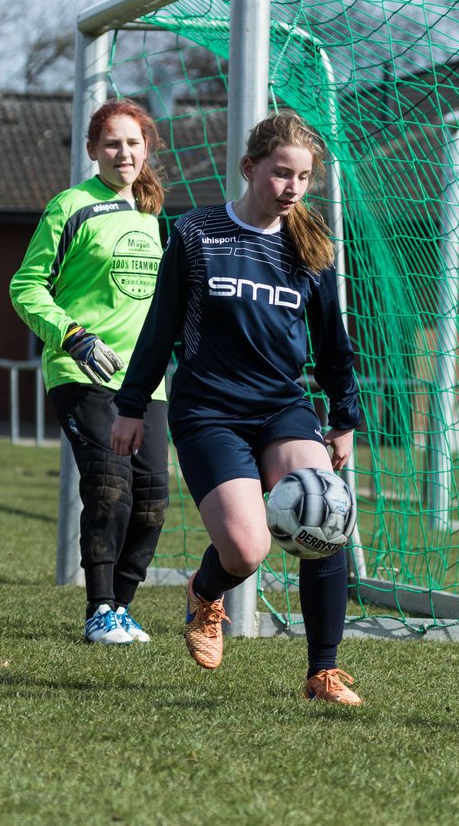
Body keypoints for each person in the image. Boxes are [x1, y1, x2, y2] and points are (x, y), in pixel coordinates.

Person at [111, 111, 364, 705]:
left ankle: (322, 671)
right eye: (281, 174)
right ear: (251, 168)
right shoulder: (198, 233)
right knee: (247, 550)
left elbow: (333, 343)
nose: (292, 189)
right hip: (208, 412)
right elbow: (160, 326)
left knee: (326, 514)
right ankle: (206, 592)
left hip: (283, 407)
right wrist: (130, 405)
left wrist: (344, 416)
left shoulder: (313, 249)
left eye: (303, 178)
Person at [10, 98, 170, 645]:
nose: (123, 152)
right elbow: (25, 287)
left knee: (151, 501)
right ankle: (99, 609)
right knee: (109, 488)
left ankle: (122, 609)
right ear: (92, 150)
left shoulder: (153, 217)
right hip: (82, 373)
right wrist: (74, 337)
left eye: (133, 142)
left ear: (147, 148)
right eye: (111, 143)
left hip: (144, 384)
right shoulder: (71, 205)